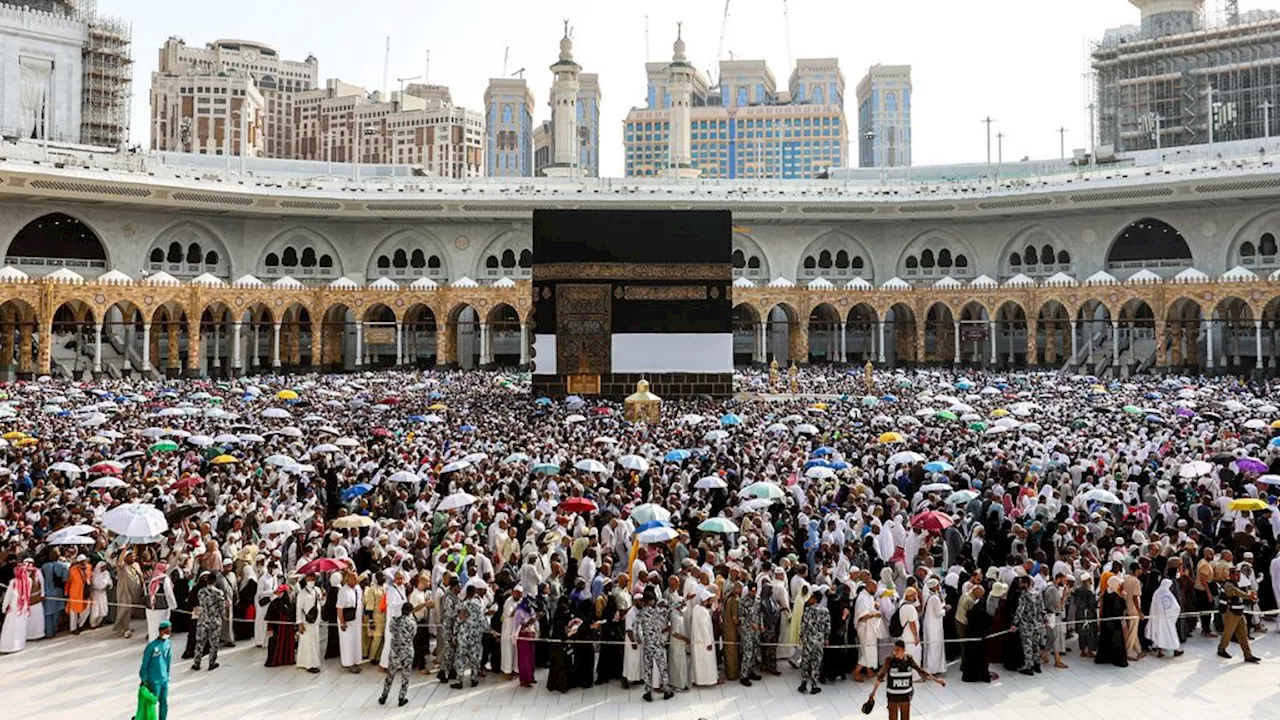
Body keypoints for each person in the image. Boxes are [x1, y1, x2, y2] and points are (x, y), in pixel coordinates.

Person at [867, 640, 946, 720]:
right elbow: (880, 677)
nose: (895, 652)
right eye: (894, 649)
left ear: (903, 650)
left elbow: (921, 671)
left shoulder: (909, 659)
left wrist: (937, 680)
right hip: (892, 696)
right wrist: (873, 692)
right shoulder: (889, 660)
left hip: (905, 695)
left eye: (897, 650)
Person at [1217, 567, 1261, 663]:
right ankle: (1221, 649)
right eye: (1236, 575)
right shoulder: (1228, 585)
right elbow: (1237, 592)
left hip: (1238, 613)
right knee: (1228, 633)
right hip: (1231, 613)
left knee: (1243, 635)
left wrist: (1250, 594)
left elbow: (1244, 591)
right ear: (1231, 575)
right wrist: (1249, 596)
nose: (1238, 577)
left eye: (1239, 575)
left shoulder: (1235, 584)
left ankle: (1248, 655)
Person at [638, 586, 674, 702]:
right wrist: (684, 600)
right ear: (652, 601)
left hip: (647, 645)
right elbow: (671, 608)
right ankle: (666, 690)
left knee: (648, 670)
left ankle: (648, 693)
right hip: (658, 644)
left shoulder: (641, 614)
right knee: (662, 668)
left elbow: (635, 628)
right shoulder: (658, 612)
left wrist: (639, 639)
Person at [379, 604, 416, 707]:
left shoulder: (394, 621)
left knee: (390, 674)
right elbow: (413, 634)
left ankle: (384, 696)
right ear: (410, 611)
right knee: (406, 675)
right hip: (407, 651)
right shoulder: (412, 623)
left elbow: (391, 630)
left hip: (395, 651)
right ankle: (401, 698)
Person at [797, 586, 831, 695]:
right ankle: (814, 685)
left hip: (808, 639)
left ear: (815, 599)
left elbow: (804, 624)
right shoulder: (825, 611)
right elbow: (827, 627)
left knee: (806, 661)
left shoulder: (808, 610)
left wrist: (801, 636)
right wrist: (826, 638)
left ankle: (803, 683)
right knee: (816, 662)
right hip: (819, 640)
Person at [191, 572, 227, 672]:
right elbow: (222, 608)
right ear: (215, 581)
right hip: (214, 621)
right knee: (214, 643)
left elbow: (200, 605)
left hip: (202, 620)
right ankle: (212, 662)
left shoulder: (201, 592)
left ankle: (196, 663)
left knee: (200, 642)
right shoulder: (219, 593)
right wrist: (223, 616)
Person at [138, 620, 172, 720]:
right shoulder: (152, 647)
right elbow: (145, 664)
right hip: (154, 680)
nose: (168, 633)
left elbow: (168, 659)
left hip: (164, 679)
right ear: (161, 631)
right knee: (151, 703)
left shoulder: (168, 643)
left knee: (164, 703)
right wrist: (144, 679)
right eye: (167, 631)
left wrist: (167, 674)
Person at [0, 559, 34, 653]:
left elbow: (8, 596)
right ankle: (19, 645)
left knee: (10, 627)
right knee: (20, 626)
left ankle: (8, 647)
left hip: (14, 607)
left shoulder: (14, 582)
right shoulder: (29, 581)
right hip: (23, 607)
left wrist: (3, 607)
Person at [1095, 576, 1128, 668]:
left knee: (1106, 638)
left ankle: (1105, 657)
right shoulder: (1115, 596)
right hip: (1114, 623)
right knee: (1116, 640)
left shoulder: (1106, 593)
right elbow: (1119, 609)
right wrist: (1123, 599)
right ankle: (1117, 659)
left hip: (1107, 621)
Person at [960, 587, 991, 683]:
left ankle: (970, 676)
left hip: (971, 637)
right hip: (980, 639)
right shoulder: (982, 612)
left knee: (970, 657)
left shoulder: (972, 611)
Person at [1146, 578, 1183, 658]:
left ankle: (1160, 651)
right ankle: (1175, 650)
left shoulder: (1157, 593)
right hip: (1167, 618)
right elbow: (1175, 607)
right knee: (1171, 634)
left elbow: (1153, 606)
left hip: (1158, 618)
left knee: (1160, 634)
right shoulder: (1168, 594)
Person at [336, 571, 364, 673]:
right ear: (348, 579)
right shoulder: (343, 591)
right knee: (348, 642)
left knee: (356, 641)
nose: (355, 581)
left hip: (356, 620)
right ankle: (349, 663)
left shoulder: (357, 589)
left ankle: (356, 660)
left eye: (356, 579)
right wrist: (342, 622)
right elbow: (339, 608)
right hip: (347, 621)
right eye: (353, 579)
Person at [295, 573, 323, 673]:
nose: (311, 580)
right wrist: (299, 623)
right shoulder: (302, 594)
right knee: (307, 643)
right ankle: (309, 664)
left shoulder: (317, 590)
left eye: (313, 579)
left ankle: (315, 662)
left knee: (314, 642)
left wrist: (322, 598)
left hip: (315, 621)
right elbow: (298, 609)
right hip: (306, 621)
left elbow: (321, 604)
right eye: (309, 579)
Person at [689, 586, 717, 687]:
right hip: (703, 643)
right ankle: (707, 681)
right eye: (711, 601)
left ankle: (699, 680)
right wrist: (708, 642)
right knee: (706, 663)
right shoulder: (702, 612)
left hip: (699, 642)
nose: (712, 603)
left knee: (700, 663)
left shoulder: (697, 608)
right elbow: (704, 628)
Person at [264, 584, 296, 667]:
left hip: (288, 628)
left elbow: (293, 615)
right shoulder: (274, 603)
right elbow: (269, 617)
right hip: (277, 629)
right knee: (275, 644)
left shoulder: (290, 603)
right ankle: (276, 660)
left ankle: (287, 659)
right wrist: (269, 628)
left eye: (281, 592)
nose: (279, 594)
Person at [114, 550, 143, 639]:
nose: (133, 558)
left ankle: (125, 626)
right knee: (125, 609)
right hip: (125, 591)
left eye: (134, 556)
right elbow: (119, 561)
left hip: (135, 591)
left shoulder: (136, 565)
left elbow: (140, 575)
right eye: (130, 556)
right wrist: (125, 548)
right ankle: (125, 629)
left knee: (130, 610)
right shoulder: (122, 566)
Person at [146, 561, 176, 642]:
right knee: (162, 627)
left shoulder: (151, 578)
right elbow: (169, 594)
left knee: (152, 628)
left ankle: (153, 644)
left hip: (150, 608)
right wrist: (173, 605)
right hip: (162, 607)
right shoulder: (165, 579)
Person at [922, 578, 946, 675]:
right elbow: (938, 613)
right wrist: (944, 608)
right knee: (934, 647)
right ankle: (933, 669)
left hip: (929, 624)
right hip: (934, 626)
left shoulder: (928, 596)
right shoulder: (935, 598)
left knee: (930, 647)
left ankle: (929, 667)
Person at [514, 592, 539, 687]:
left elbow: (533, 620)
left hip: (530, 635)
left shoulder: (530, 610)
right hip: (523, 636)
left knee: (531, 658)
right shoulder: (519, 612)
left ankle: (530, 677)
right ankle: (524, 679)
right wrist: (529, 622)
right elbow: (518, 626)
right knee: (524, 659)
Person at [500, 584, 522, 679]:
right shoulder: (508, 601)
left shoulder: (520, 600)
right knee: (507, 651)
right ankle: (506, 671)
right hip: (508, 630)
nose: (519, 596)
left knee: (515, 651)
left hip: (516, 630)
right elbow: (510, 613)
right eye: (517, 594)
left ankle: (515, 669)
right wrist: (519, 607)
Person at [66, 555, 91, 635]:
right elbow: (68, 582)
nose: (83, 563)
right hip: (75, 593)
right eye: (81, 562)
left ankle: (80, 624)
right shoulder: (72, 570)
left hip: (86, 592)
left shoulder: (89, 567)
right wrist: (66, 592)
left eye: (84, 561)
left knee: (87, 609)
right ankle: (73, 628)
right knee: (74, 612)